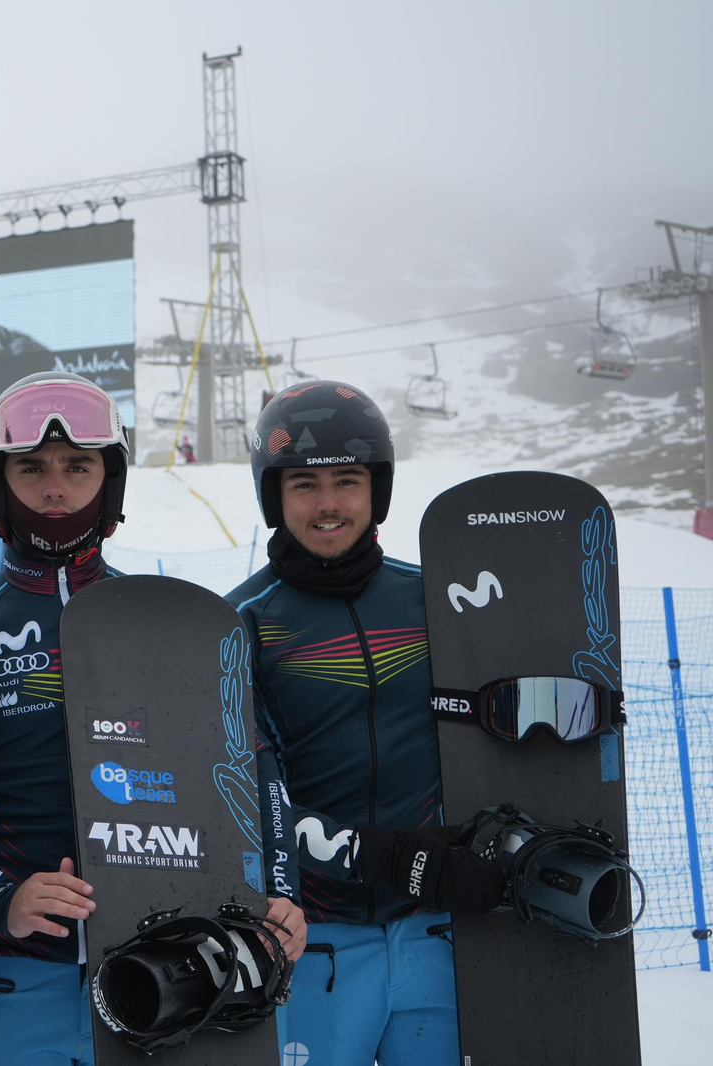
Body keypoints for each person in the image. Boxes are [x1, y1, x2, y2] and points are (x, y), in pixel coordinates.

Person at [0, 372, 306, 1065]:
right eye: (31, 468)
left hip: (169, 971)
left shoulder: (175, 620)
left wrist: (281, 890)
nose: (54, 489)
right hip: (10, 974)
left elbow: (256, 768)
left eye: (78, 466)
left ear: (110, 481)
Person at [227, 380, 505, 1066]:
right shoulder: (242, 623)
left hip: (438, 933)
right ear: (274, 495)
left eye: (347, 481)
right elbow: (239, 794)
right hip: (313, 940)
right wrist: (368, 856)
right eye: (304, 484)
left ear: (375, 489)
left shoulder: (436, 599)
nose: (327, 504)